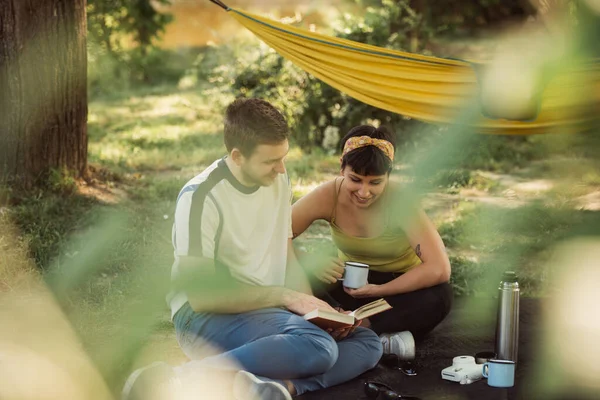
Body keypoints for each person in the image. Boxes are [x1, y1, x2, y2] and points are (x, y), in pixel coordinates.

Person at [122, 99, 382, 400]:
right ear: (237, 156)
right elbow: (203, 296)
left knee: (367, 342)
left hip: (266, 310)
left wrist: (316, 311)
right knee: (319, 348)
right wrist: (286, 297)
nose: (281, 168)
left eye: (283, 157)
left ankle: (275, 388)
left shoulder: (279, 180)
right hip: (203, 317)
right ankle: (176, 379)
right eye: (271, 161)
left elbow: (285, 256)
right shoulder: (200, 198)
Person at [292, 124, 453, 360]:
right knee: (289, 272)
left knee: (439, 296)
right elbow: (275, 234)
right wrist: (309, 260)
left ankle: (351, 328)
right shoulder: (327, 195)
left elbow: (439, 268)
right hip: (348, 287)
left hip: (397, 291)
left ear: (388, 176)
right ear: (341, 168)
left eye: (375, 182)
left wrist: (378, 290)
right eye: (355, 180)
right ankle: (353, 327)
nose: (364, 192)